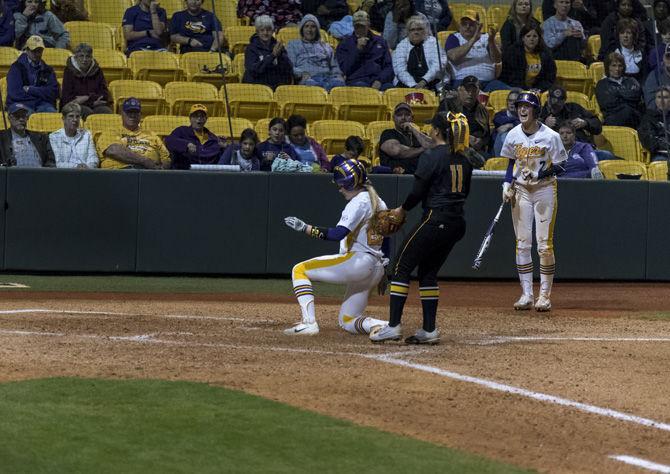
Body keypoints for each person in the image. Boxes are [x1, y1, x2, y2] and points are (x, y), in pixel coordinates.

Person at [370, 112, 476, 344]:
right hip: (457, 222)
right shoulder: (464, 158)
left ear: (437, 131)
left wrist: (402, 209)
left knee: (400, 265)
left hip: (436, 218)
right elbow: (465, 192)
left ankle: (394, 326)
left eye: (431, 127)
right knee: (427, 272)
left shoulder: (431, 155)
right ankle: (429, 330)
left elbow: (418, 191)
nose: (428, 130)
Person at [282, 159, 390, 336]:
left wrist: (305, 228)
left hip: (358, 262)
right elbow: (387, 238)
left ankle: (309, 323)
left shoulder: (359, 202)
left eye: (342, 185)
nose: (340, 189)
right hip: (376, 267)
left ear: (350, 183)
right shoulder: (379, 201)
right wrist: (385, 267)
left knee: (299, 270)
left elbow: (336, 234)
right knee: (347, 320)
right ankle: (383, 325)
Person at [500, 91, 567, 312]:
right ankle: (527, 294)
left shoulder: (550, 135)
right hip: (521, 191)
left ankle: (545, 295)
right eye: (520, 106)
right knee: (522, 243)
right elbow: (511, 164)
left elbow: (560, 165)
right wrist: (506, 185)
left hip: (544, 189)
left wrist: (539, 175)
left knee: (544, 245)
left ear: (535, 110)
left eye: (527, 106)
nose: (522, 109)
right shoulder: (513, 135)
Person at [96, 97, 171, 169]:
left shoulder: (152, 135)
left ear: (140, 115)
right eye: (129, 112)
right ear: (122, 114)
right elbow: (113, 150)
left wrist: (161, 170)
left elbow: (166, 158)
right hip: (120, 172)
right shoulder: (111, 132)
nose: (132, 115)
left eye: (136, 112)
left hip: (148, 173)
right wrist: (144, 161)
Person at [445, 10, 504, 91]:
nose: (467, 26)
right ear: (459, 26)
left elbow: (497, 59)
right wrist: (473, 40)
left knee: (513, 92)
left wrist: (491, 40)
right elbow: (453, 57)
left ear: (478, 25)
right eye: (464, 24)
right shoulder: (454, 37)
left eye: (471, 24)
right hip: (463, 81)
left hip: (489, 83)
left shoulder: (487, 37)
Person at [335, 10, 394, 90]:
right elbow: (344, 69)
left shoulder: (380, 41)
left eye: (362, 26)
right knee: (361, 86)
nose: (360, 29)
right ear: (353, 26)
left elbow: (388, 66)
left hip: (378, 79)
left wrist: (379, 80)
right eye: (357, 26)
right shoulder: (344, 44)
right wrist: (357, 50)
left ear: (368, 24)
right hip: (357, 80)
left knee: (390, 88)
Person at [286, 14, 345, 91]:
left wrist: (338, 76)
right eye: (306, 26)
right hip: (309, 79)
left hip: (328, 78)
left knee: (340, 84)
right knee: (315, 87)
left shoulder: (326, 46)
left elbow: (334, 66)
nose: (309, 30)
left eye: (313, 27)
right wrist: (300, 73)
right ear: (302, 29)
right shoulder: (293, 45)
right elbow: (290, 66)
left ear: (317, 30)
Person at [392, 15, 448, 90]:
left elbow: (438, 65)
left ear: (425, 30)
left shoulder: (433, 42)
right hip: (407, 84)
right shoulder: (401, 45)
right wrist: (414, 86)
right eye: (412, 30)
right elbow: (400, 70)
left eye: (419, 29)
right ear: (408, 32)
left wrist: (424, 81)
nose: (416, 32)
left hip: (432, 82)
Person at [539, 85, 603, 151]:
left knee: (608, 155)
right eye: (553, 104)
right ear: (548, 98)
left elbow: (597, 126)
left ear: (564, 100)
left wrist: (585, 123)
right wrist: (545, 125)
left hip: (584, 148)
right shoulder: (539, 113)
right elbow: (530, 136)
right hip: (557, 152)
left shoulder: (574, 108)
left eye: (558, 103)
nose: (555, 106)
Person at [6, 35, 59, 113]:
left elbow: (53, 92)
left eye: (39, 50)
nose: (37, 54)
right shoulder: (16, 67)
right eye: (33, 51)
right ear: (27, 50)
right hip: (20, 103)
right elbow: (15, 94)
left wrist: (31, 90)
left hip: (41, 104)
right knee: (26, 113)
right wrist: (40, 95)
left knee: (51, 113)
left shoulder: (48, 70)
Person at [164, 104, 226, 170]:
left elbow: (219, 159)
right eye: (195, 116)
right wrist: (186, 145)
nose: (199, 119)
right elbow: (169, 141)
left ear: (206, 119)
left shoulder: (212, 138)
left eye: (202, 116)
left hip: (207, 173)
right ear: (190, 118)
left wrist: (224, 148)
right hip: (185, 172)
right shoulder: (182, 131)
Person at [61, 43, 113, 119]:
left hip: (95, 104)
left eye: (87, 56)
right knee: (86, 112)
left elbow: (103, 94)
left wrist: (86, 98)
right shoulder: (68, 71)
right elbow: (67, 98)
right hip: (74, 106)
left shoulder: (98, 71)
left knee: (106, 111)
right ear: (75, 57)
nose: (84, 60)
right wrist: (92, 100)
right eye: (81, 56)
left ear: (91, 58)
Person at [499, 23, 557, 92]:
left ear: (539, 38)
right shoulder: (513, 52)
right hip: (516, 89)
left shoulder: (546, 53)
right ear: (523, 38)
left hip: (538, 90)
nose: (531, 39)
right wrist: (525, 90)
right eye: (528, 36)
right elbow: (510, 76)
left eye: (535, 36)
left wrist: (539, 89)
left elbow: (550, 77)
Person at [379, 102, 432, 174]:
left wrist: (413, 129)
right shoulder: (388, 133)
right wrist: (423, 149)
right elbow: (396, 151)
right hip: (394, 178)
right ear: (393, 118)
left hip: (418, 177)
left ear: (412, 118)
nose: (403, 118)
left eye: (407, 115)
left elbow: (433, 146)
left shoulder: (418, 135)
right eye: (399, 115)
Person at [243, 15, 293, 90]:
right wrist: (272, 56)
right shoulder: (251, 48)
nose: (265, 33)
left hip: (275, 87)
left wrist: (280, 56)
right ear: (257, 32)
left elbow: (288, 69)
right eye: (262, 30)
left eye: (268, 30)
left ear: (273, 31)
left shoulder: (278, 47)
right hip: (256, 87)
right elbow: (254, 70)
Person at [595, 51, 643, 128]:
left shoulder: (632, 80)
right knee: (627, 110)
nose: (617, 69)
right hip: (613, 118)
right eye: (613, 65)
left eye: (620, 66)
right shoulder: (602, 84)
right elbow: (607, 104)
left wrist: (617, 94)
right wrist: (626, 97)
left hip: (634, 117)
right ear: (608, 67)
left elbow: (636, 97)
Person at [0, 102, 56, 167]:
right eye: (17, 116)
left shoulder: (41, 137)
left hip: (38, 175)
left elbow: (51, 161)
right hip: (13, 176)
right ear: (9, 117)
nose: (21, 119)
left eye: (24, 116)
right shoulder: (1, 139)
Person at [48, 102, 98, 168]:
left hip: (86, 172)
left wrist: (88, 166)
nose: (75, 120)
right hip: (65, 173)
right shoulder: (54, 137)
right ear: (63, 119)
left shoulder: (86, 135)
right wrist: (76, 166)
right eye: (71, 116)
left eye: (77, 116)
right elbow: (58, 163)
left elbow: (93, 158)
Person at [600, 18, 647, 82]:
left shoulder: (641, 54)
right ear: (618, 35)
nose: (625, 36)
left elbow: (645, 77)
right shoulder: (611, 52)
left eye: (629, 33)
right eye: (622, 33)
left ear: (634, 35)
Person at [457, 76, 491, 156]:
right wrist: (466, 138)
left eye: (473, 90)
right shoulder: (449, 105)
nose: (470, 93)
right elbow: (442, 132)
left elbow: (487, 135)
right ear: (459, 90)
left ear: (478, 92)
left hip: (477, 150)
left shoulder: (483, 110)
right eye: (467, 90)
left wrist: (481, 141)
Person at [638, 86, 670, 161]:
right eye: (659, 97)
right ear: (655, 100)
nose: (662, 101)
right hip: (661, 155)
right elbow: (650, 142)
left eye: (665, 97)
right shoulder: (648, 118)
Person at [492, 89, 522, 156]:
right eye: (510, 100)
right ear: (507, 102)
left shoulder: (525, 116)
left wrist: (511, 125)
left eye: (515, 101)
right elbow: (498, 121)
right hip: (498, 148)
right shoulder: (499, 116)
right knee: (504, 135)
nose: (512, 103)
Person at [237, 0, 302, 29]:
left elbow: (294, 5)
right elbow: (242, 10)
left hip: (284, 17)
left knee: (295, 28)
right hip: (259, 18)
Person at [644, 44, 670, 108]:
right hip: (662, 115)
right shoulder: (654, 76)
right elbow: (650, 103)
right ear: (663, 58)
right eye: (668, 57)